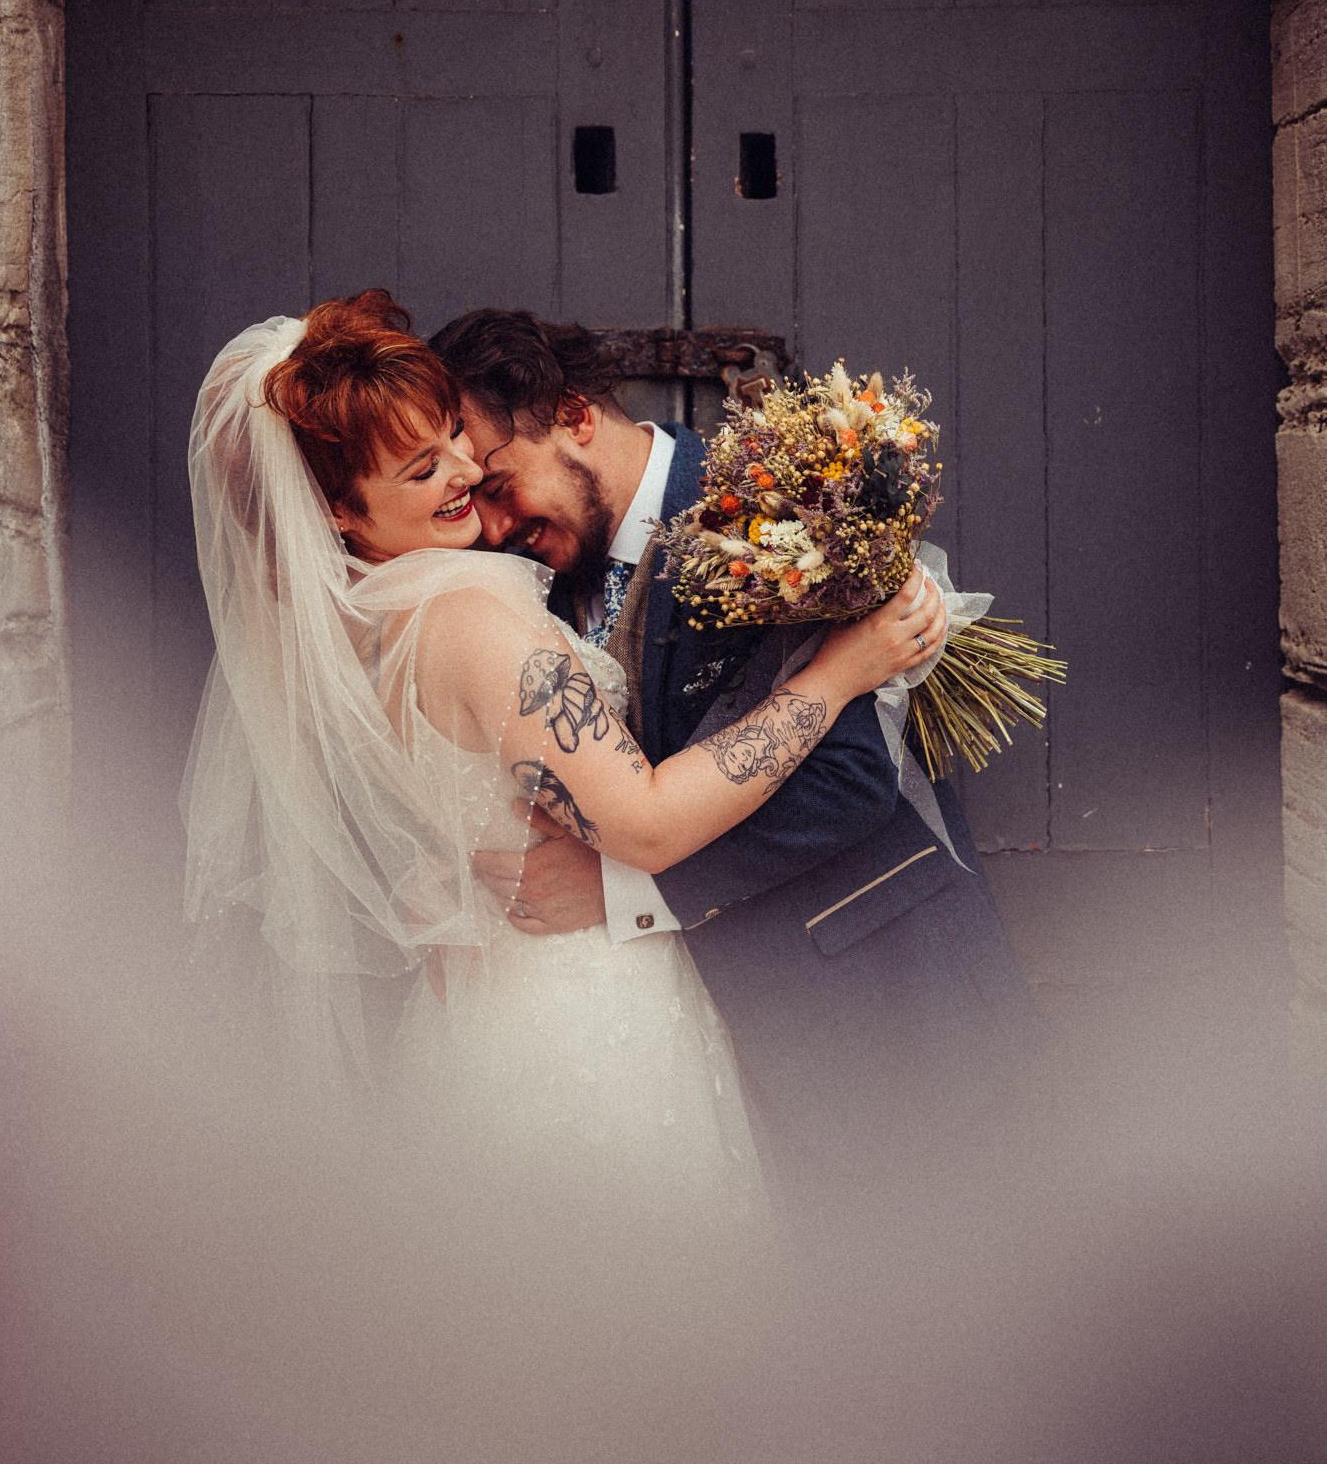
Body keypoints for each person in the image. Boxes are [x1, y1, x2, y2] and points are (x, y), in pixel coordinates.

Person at [181, 291, 948, 1225]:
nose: (465, 472)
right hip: (580, 1018)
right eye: (426, 467)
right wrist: (839, 674)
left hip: (501, 1005)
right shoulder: (466, 613)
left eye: (458, 441)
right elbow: (647, 821)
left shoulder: (367, 624)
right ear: (336, 514)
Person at [429, 309, 1043, 1210]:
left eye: (496, 483)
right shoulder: (526, 583)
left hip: (882, 1010)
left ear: (571, 414)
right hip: (710, 1059)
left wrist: (619, 889)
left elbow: (849, 779)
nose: (487, 524)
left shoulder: (772, 507)